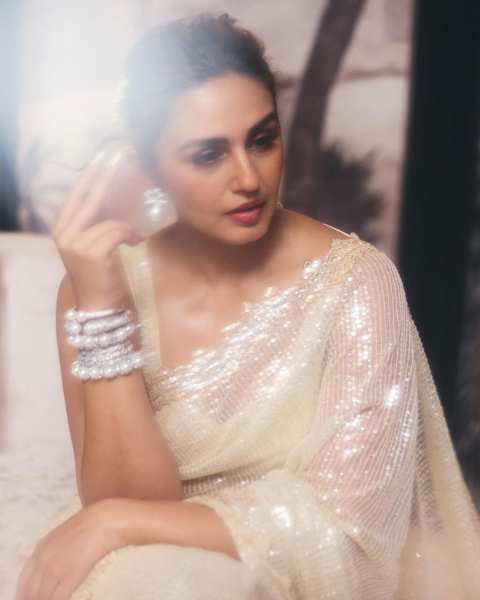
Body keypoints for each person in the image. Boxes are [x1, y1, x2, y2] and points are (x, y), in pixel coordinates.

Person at [15, 12, 480, 600]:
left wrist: (116, 523)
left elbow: (353, 526)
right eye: (207, 155)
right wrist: (103, 311)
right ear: (149, 165)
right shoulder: (95, 289)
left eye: (262, 140)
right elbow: (123, 504)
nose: (249, 178)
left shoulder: (356, 281)